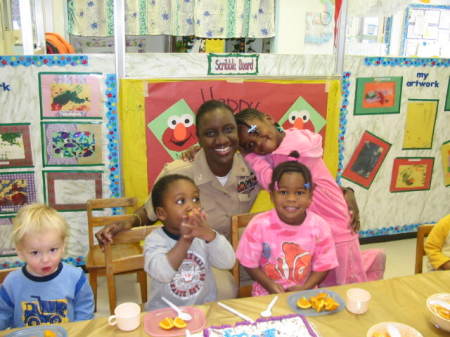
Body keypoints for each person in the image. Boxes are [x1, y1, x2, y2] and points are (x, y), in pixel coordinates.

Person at [95, 100, 259, 299]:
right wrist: (126, 223)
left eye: (228, 130)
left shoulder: (254, 166)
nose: (222, 140)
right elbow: (150, 212)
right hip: (200, 253)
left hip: (240, 251)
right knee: (222, 292)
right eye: (210, 133)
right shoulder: (178, 173)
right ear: (198, 138)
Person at [234, 108, 367, 286]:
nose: (259, 143)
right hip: (324, 223)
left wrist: (249, 155)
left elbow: (272, 182)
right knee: (328, 278)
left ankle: (370, 264)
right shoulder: (288, 141)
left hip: (335, 228)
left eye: (255, 131)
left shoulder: (289, 154)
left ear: (268, 118)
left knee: (346, 283)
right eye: (251, 145)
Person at [235, 161, 338, 295]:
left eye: (300, 193)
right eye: (283, 192)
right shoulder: (258, 225)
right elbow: (249, 263)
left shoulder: (320, 227)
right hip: (266, 294)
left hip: (305, 293)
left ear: (310, 196)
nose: (291, 199)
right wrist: (269, 285)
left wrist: (305, 288)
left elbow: (324, 265)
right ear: (272, 195)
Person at [143, 174, 235, 310]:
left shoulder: (203, 235)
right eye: (181, 201)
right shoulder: (155, 240)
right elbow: (163, 273)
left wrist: (209, 234)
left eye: (195, 199)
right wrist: (186, 239)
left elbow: (228, 262)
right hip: (164, 314)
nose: (191, 206)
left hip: (203, 310)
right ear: (162, 213)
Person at [0, 204, 94, 330]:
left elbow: (84, 312)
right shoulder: (12, 283)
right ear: (20, 252)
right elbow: (2, 315)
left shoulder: (75, 278)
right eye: (35, 252)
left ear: (63, 246)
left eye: (52, 250)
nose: (45, 259)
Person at [341, 187, 386, 281]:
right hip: (335, 267)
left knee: (378, 255)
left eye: (350, 209)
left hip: (352, 262)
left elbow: (353, 255)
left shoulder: (350, 222)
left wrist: (349, 191)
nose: (350, 213)